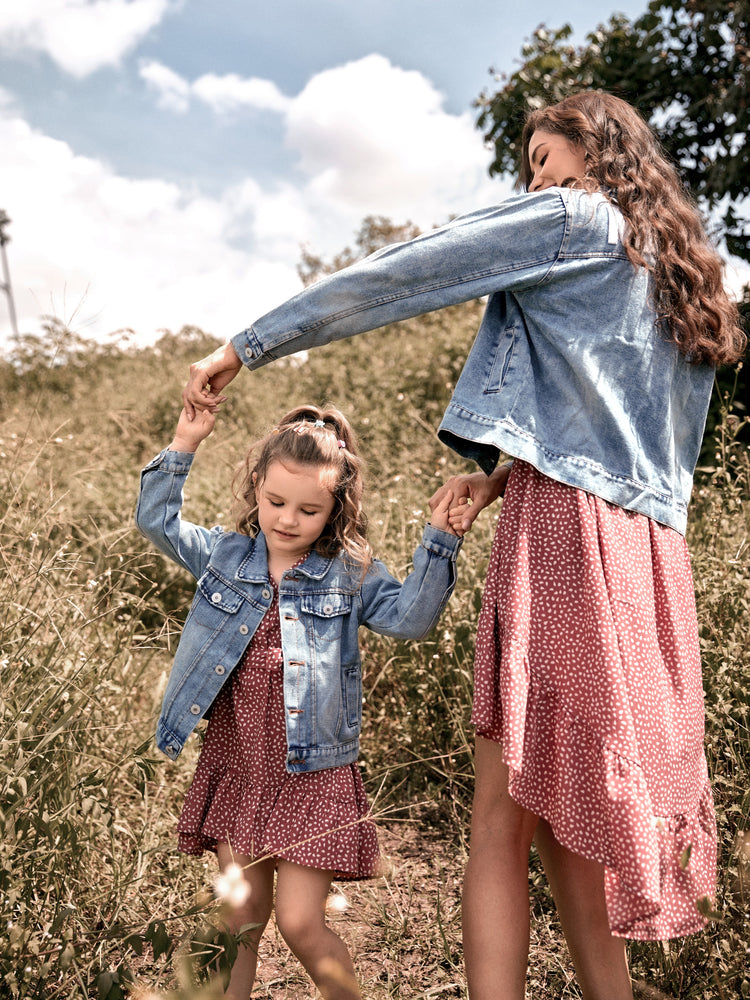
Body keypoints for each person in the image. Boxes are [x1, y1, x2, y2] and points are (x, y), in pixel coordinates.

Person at [180, 91, 745, 999]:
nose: (536, 177)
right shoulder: (677, 270)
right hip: (647, 564)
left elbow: (413, 270)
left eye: (544, 157)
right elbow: (625, 445)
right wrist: (503, 474)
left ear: (594, 152)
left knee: (500, 817)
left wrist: (250, 346)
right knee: (571, 820)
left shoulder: (574, 218)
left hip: (564, 539)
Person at [135, 402, 462, 1000]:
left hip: (313, 773)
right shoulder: (226, 556)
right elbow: (157, 520)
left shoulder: (349, 572)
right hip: (242, 768)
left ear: (336, 509)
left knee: (300, 921)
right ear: (256, 487)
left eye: (309, 509)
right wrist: (185, 440)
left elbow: (412, 618)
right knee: (238, 920)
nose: (287, 519)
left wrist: (440, 541)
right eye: (276, 502)